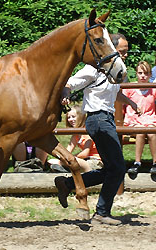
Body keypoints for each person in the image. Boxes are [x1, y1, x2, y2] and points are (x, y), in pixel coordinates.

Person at [54, 33, 140, 225]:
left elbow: (116, 93)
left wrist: (131, 103)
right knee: (117, 168)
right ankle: (101, 213)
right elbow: (70, 82)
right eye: (122, 52)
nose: (125, 55)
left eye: (126, 52)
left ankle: (67, 184)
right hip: (98, 119)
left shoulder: (112, 71)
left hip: (105, 119)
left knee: (110, 169)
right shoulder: (94, 68)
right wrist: (66, 93)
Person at [123, 61, 156, 176]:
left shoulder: (153, 89)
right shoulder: (130, 88)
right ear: (136, 73)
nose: (143, 76)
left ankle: (155, 163)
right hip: (133, 120)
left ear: (150, 75)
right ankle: (137, 162)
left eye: (146, 73)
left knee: (152, 133)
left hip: (150, 119)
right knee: (141, 132)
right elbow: (121, 101)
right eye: (140, 73)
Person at [48, 105, 103, 173]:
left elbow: (85, 153)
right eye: (69, 117)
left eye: (73, 117)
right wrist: (62, 157)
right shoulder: (76, 134)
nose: (70, 120)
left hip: (94, 161)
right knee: (51, 161)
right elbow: (68, 149)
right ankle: (66, 168)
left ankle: (67, 168)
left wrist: (70, 158)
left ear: (80, 117)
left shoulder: (87, 131)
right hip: (83, 160)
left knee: (69, 161)